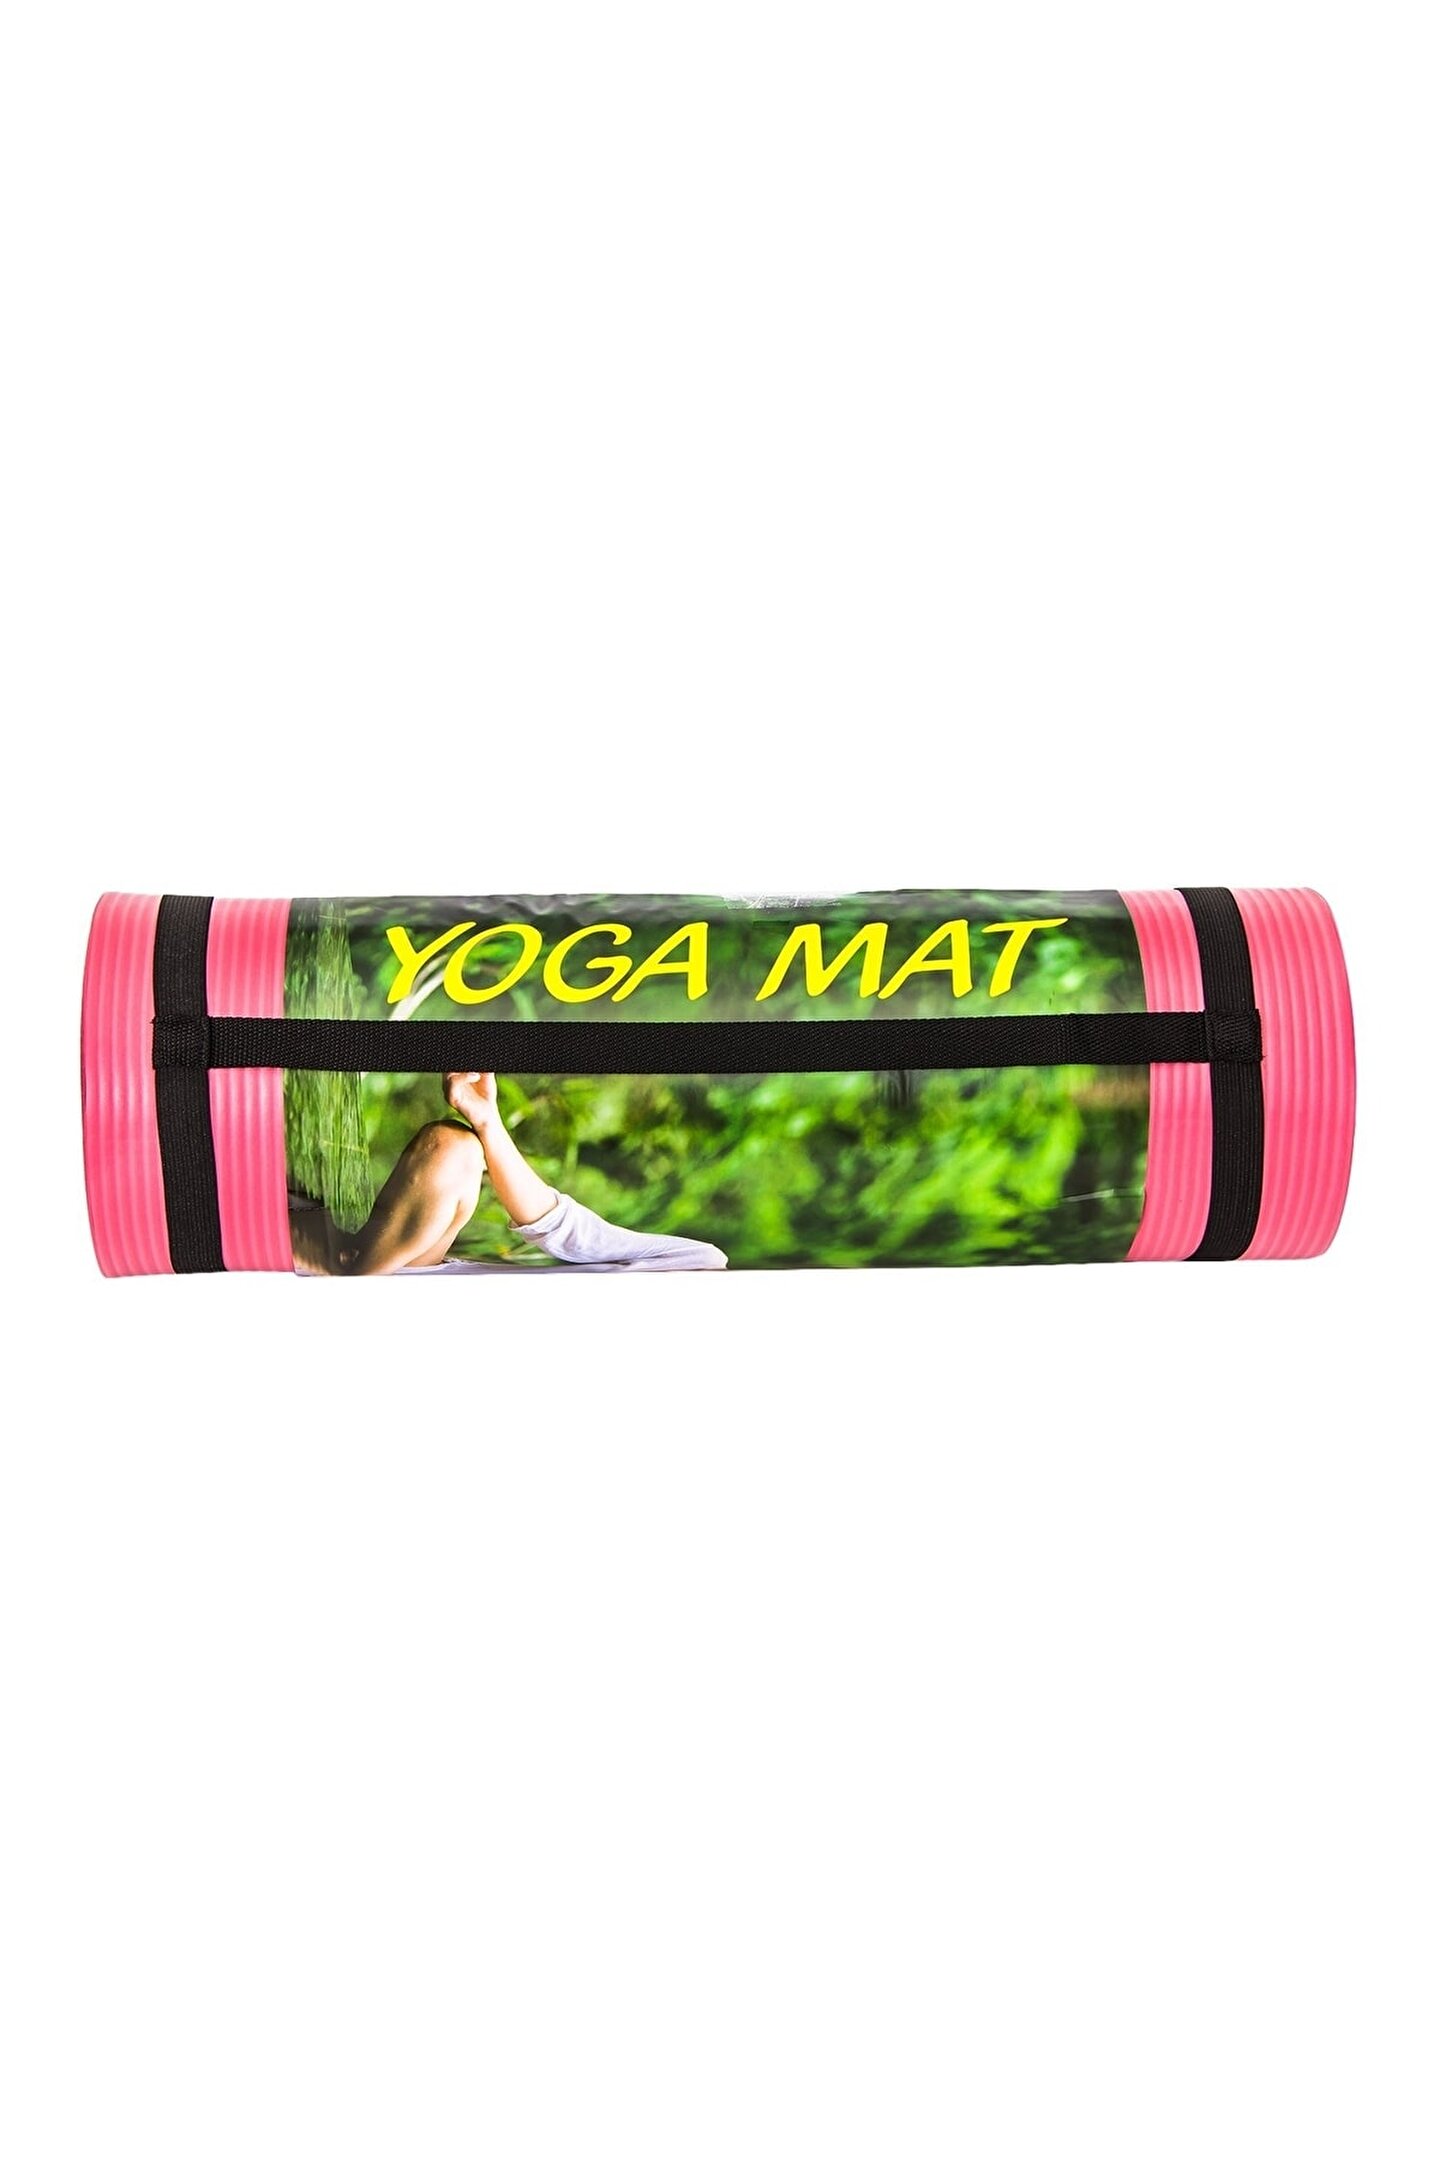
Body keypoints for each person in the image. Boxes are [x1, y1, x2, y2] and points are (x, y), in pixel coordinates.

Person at [291, 1071, 728, 1275]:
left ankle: (335, 1263)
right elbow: (570, 1232)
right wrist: (486, 1120)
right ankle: (347, 1269)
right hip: (405, 1271)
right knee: (452, 1147)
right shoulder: (701, 1264)